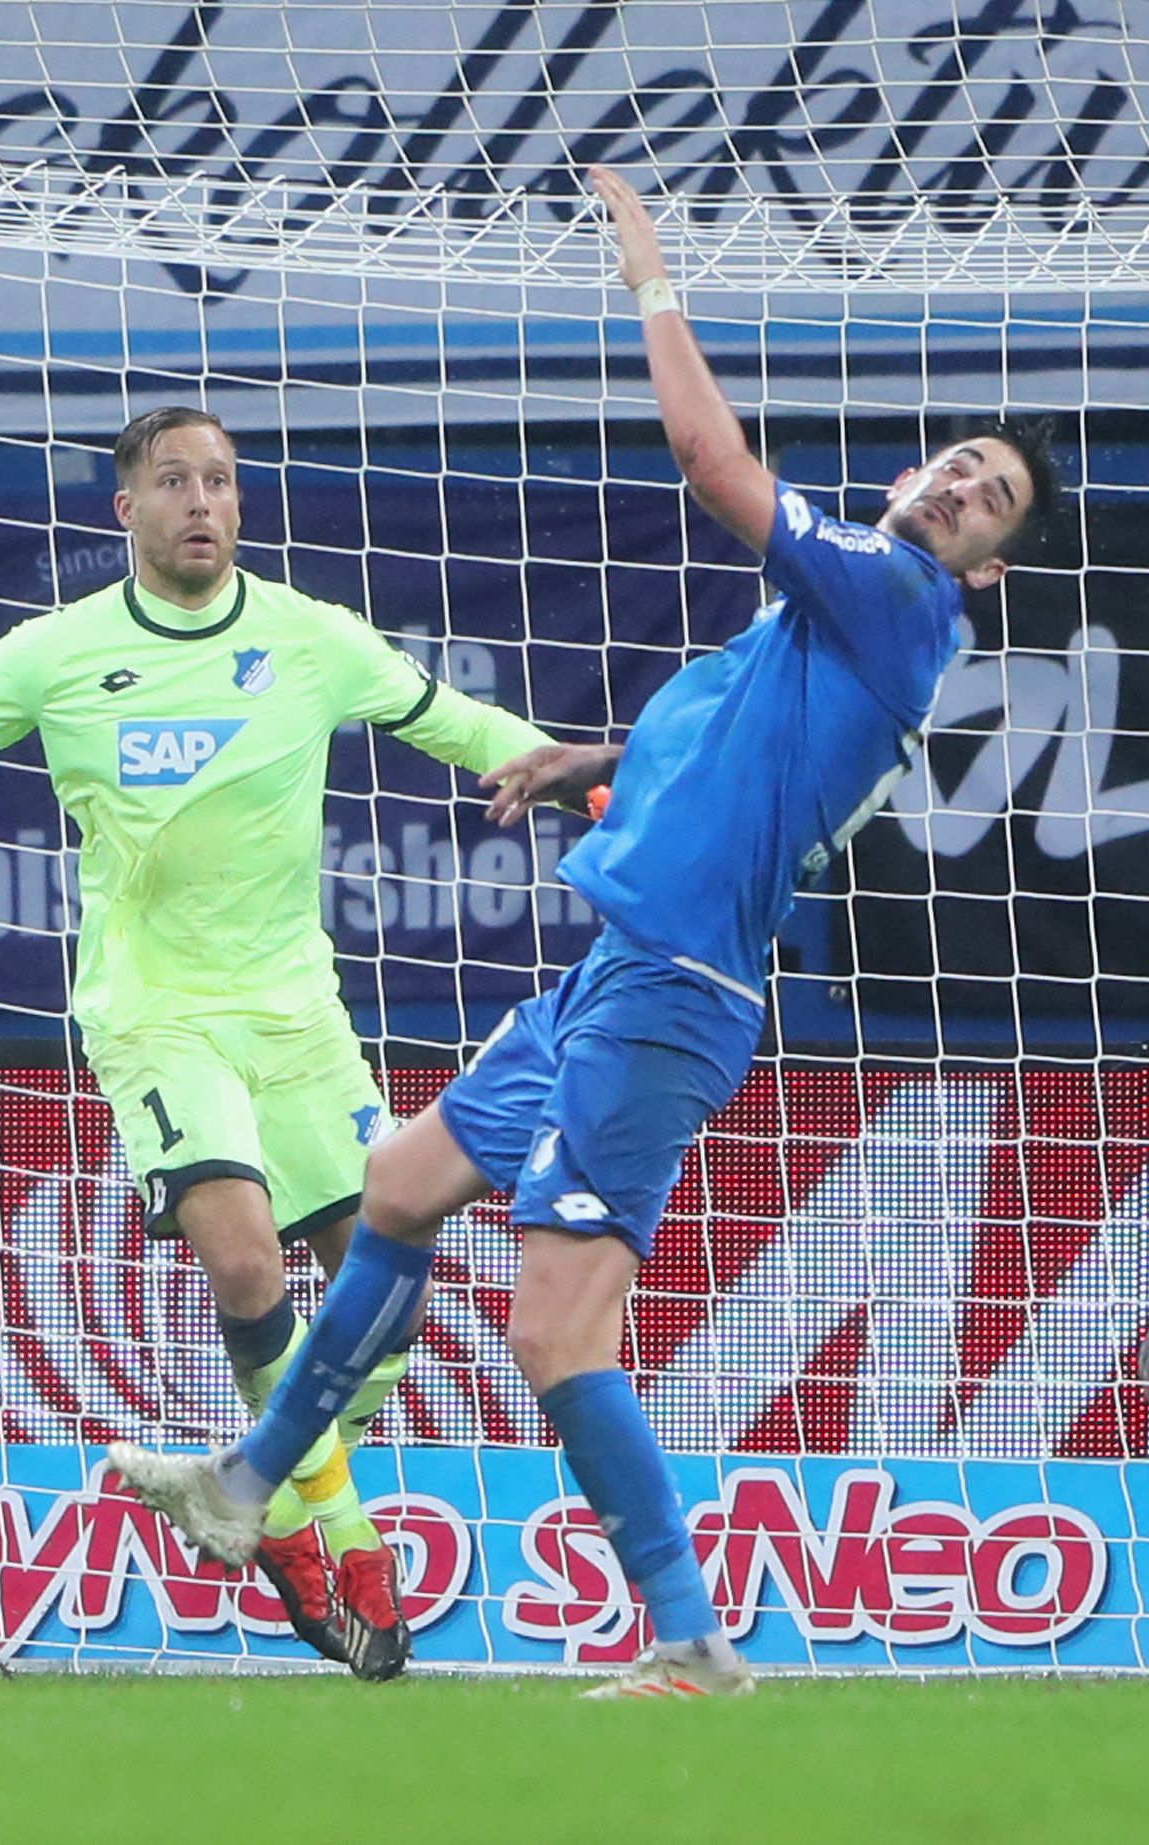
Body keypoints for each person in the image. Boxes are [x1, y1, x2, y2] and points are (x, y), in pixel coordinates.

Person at [106, 166, 1060, 1699]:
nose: (956, 488)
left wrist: (647, 269)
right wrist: (587, 766)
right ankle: (243, 1487)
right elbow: (733, 768)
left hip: (667, 1000)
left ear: (987, 566)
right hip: (611, 974)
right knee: (401, 1183)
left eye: (987, 498)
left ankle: (689, 1637)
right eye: (954, 463)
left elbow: (705, 450)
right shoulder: (818, 628)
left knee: (558, 1340)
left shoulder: (894, 597)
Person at [0, 407, 559, 1679]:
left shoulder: (310, 638)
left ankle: (260, 1479)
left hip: (297, 1010)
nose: (204, 501)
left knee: (385, 1293)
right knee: (247, 1266)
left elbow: (464, 727)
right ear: (123, 508)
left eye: (224, 482)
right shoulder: (59, 654)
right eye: (175, 481)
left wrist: (592, 776)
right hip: (154, 1009)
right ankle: (324, 1532)